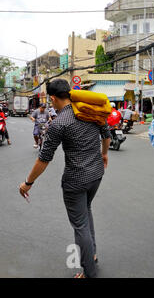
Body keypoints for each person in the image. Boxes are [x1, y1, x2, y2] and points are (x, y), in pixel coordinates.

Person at [19, 79, 111, 278]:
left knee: (80, 225)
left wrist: (28, 183)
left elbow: (44, 159)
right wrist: (104, 154)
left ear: (52, 99)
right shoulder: (90, 112)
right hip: (96, 174)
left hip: (75, 181)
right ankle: (91, 255)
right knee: (86, 212)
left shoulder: (59, 122)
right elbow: (106, 133)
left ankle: (89, 272)